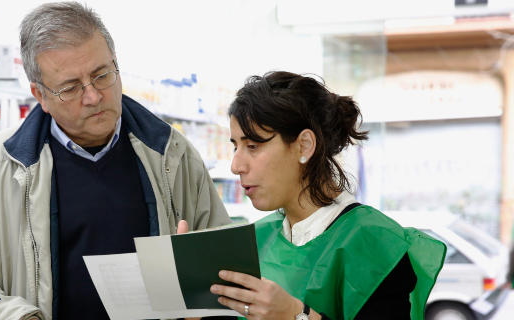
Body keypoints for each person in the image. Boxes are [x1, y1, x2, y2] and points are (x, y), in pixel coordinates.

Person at [0, 2, 231, 320]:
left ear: (116, 64)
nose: (92, 96)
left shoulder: (172, 155)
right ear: (41, 96)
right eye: (70, 88)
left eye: (101, 75)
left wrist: (199, 291)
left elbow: (227, 269)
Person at [186, 71, 446, 320]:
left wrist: (295, 316)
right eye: (236, 146)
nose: (236, 165)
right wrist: (189, 291)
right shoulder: (255, 240)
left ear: (304, 145)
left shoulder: (375, 243)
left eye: (253, 146)